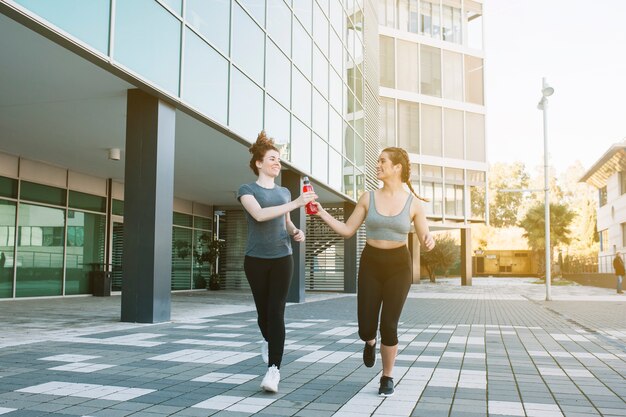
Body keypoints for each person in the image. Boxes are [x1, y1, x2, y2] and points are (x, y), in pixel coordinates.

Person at [312, 147, 435, 397]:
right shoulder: (368, 197)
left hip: (399, 266)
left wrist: (428, 239)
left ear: (397, 168)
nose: (377, 165)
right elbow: (348, 230)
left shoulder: (414, 204)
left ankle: (387, 376)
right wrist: (321, 211)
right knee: (366, 326)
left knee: (388, 324)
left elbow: (424, 235)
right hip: (371, 263)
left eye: (382, 161)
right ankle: (369, 342)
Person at [237, 131, 317, 393]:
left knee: (276, 311)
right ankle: (270, 342)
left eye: (279, 159)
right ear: (259, 163)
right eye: (272, 158)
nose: (277, 163)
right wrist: (295, 202)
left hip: (283, 258)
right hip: (256, 260)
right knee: (263, 315)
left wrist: (295, 232)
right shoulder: (247, 190)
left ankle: (274, 370)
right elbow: (259, 215)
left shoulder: (283, 192)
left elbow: (285, 221)